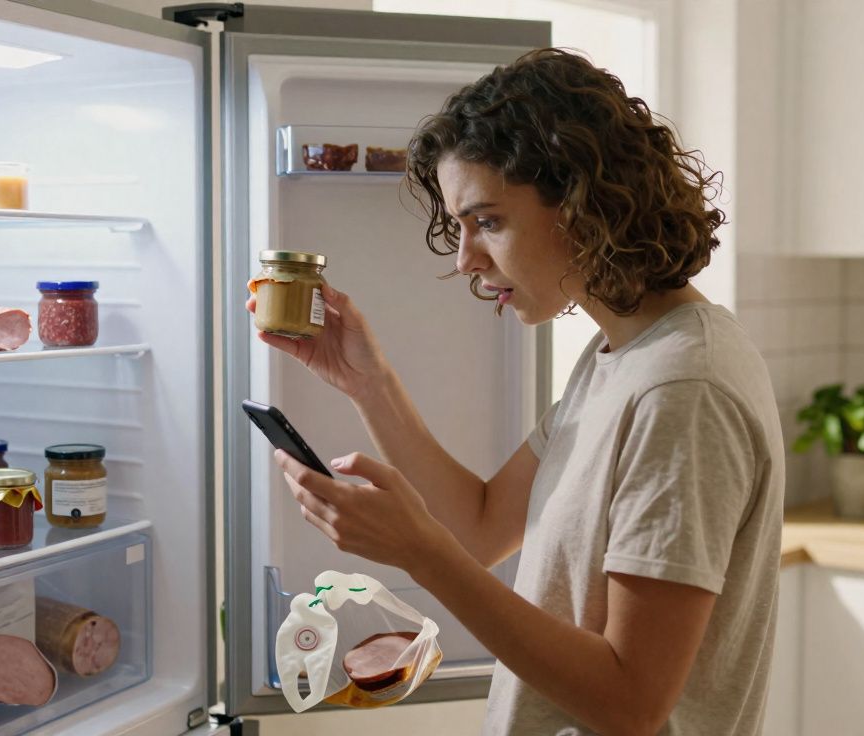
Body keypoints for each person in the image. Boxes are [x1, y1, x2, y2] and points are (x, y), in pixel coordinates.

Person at [246, 48, 784, 736]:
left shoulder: (683, 389)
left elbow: (631, 703)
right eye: (461, 226)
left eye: (489, 221)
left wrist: (419, 553)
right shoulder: (620, 354)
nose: (465, 257)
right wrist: (366, 382)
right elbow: (480, 526)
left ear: (586, 200)